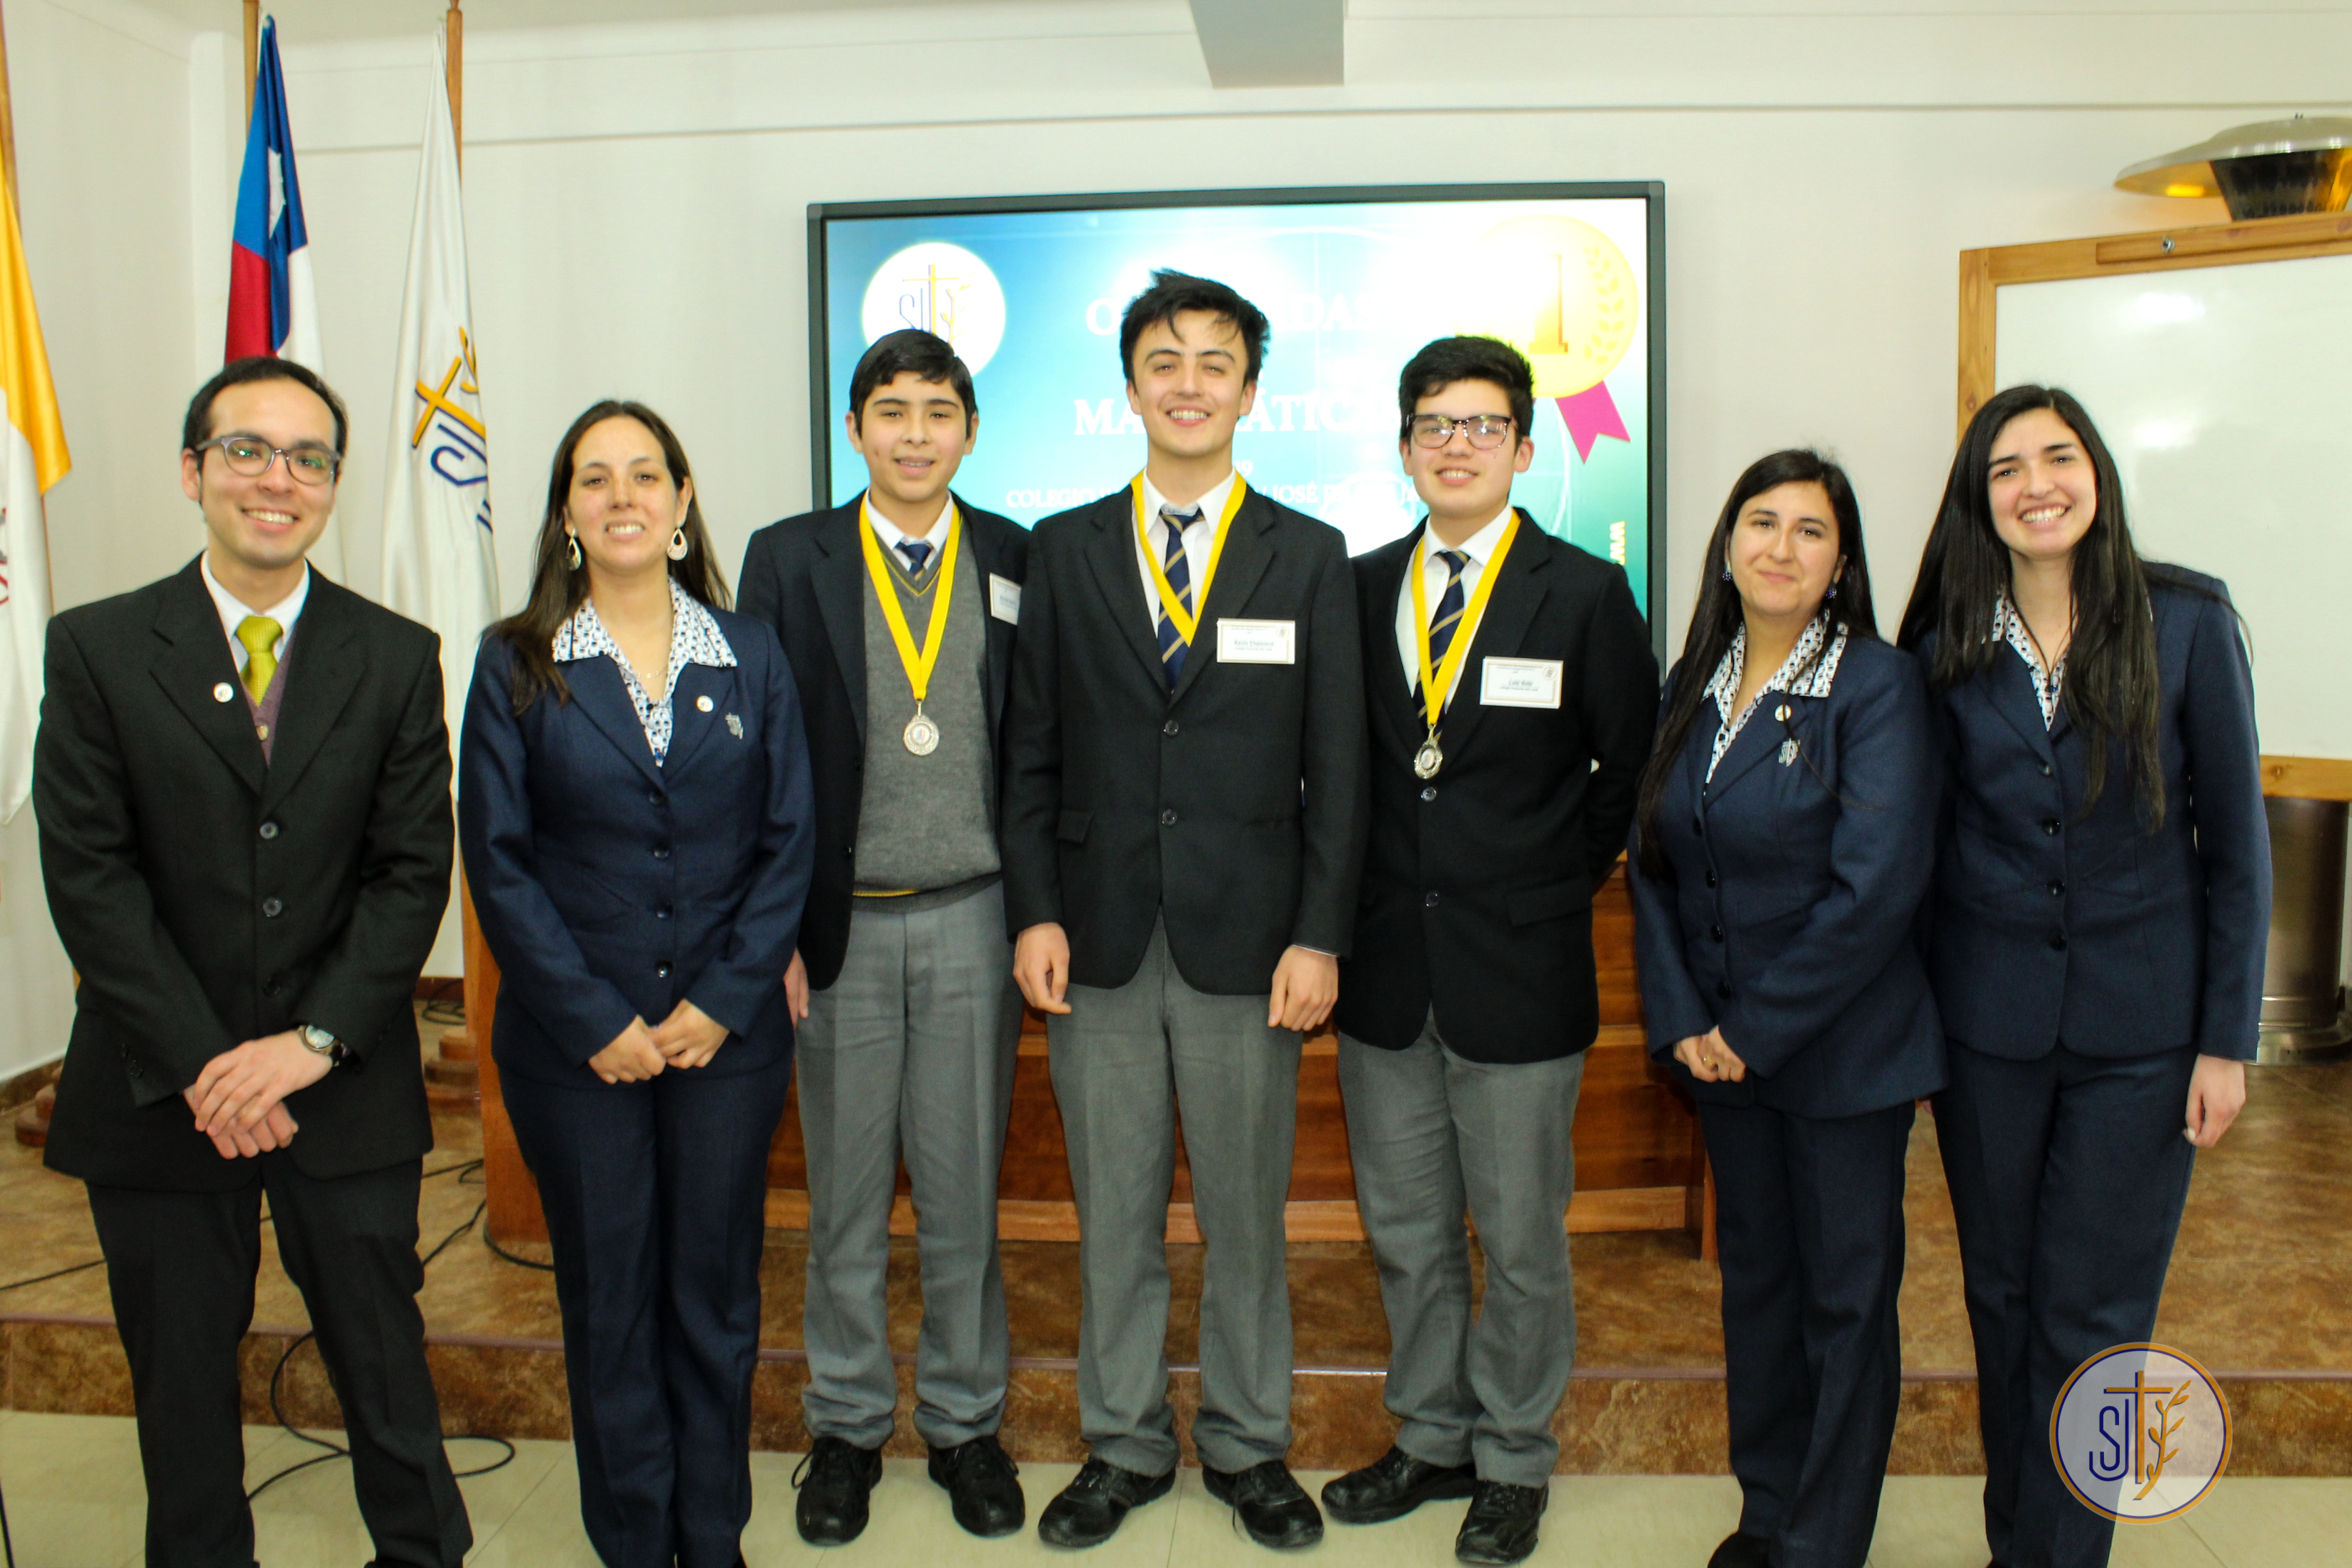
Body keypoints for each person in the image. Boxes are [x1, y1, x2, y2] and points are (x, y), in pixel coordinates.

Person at [34, 356, 472, 1568]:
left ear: (333, 483)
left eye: (308, 458)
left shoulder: (395, 655)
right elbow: (92, 880)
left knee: (387, 1373)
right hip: (158, 1087)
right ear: (193, 472)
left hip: (340, 1080)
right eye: (247, 450)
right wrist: (206, 1064)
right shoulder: (98, 648)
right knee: (179, 1393)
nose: (279, 479)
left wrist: (310, 1044)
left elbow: (409, 874)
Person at [1001, 269, 1368, 1552]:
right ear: (1130, 388)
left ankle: (1249, 1448)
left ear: (1252, 391)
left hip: (1252, 945)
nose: (1190, 383)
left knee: (1243, 1220)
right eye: (1165, 361)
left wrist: (1319, 932)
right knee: (1115, 1219)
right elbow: (1030, 750)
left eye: (1217, 362)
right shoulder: (1063, 550)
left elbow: (1340, 768)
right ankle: (1123, 1446)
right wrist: (1034, 910)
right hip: (1095, 940)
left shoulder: (1308, 555)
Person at [1896, 386, 2267, 1568]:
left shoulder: (2187, 621)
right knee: (2003, 1302)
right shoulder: (1945, 641)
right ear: (1980, 498)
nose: (2035, 485)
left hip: (2143, 1037)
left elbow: (2237, 851)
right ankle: (2019, 1542)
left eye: (2057, 457)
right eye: (2005, 468)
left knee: (2097, 1317)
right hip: (1986, 1032)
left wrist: (2226, 1042)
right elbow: (1921, 851)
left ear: (2096, 473)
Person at [459, 400, 815, 1568]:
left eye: (646, 474)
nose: (623, 496)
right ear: (566, 512)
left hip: (728, 1046)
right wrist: (595, 1018)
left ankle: (711, 1541)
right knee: (610, 1308)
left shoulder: (749, 652)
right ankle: (632, 1544)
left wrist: (722, 1001)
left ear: (681, 501)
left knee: (713, 1303)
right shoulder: (516, 661)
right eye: (595, 478)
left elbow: (789, 841)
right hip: (578, 1055)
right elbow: (498, 864)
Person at [1320, 336, 1655, 1567]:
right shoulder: (1358, 589)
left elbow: (1629, 770)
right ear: (1405, 447)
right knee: (1408, 1234)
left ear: (1522, 446)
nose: (1455, 445)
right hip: (1383, 977)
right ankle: (1432, 1438)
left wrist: (1548, 879)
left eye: (1481, 425)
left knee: (1518, 1243)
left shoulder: (1585, 593)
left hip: (1520, 972)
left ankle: (1514, 1460)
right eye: (1433, 425)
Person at [736, 328, 1030, 1546]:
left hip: (975, 919)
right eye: (892, 411)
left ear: (970, 431)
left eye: (939, 411)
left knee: (963, 1199)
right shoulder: (788, 556)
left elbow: (1039, 744)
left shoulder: (1014, 555)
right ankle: (848, 1428)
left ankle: (964, 1425)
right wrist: (771, 927)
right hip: (837, 928)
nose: (915, 434)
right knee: (846, 1203)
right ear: (854, 428)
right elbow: (754, 754)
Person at [1628, 450, 1942, 1568]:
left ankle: (1824, 1541)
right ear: (1728, 545)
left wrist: (1750, 1033)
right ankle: (1768, 1516)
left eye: (1811, 531)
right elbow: (1653, 859)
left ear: (1841, 562)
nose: (1781, 547)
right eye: (1761, 522)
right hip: (1719, 1058)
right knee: (1758, 1291)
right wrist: (1685, 1024)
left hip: (1843, 1057)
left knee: (1845, 1305)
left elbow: (1876, 891)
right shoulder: (1694, 678)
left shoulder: (1876, 685)